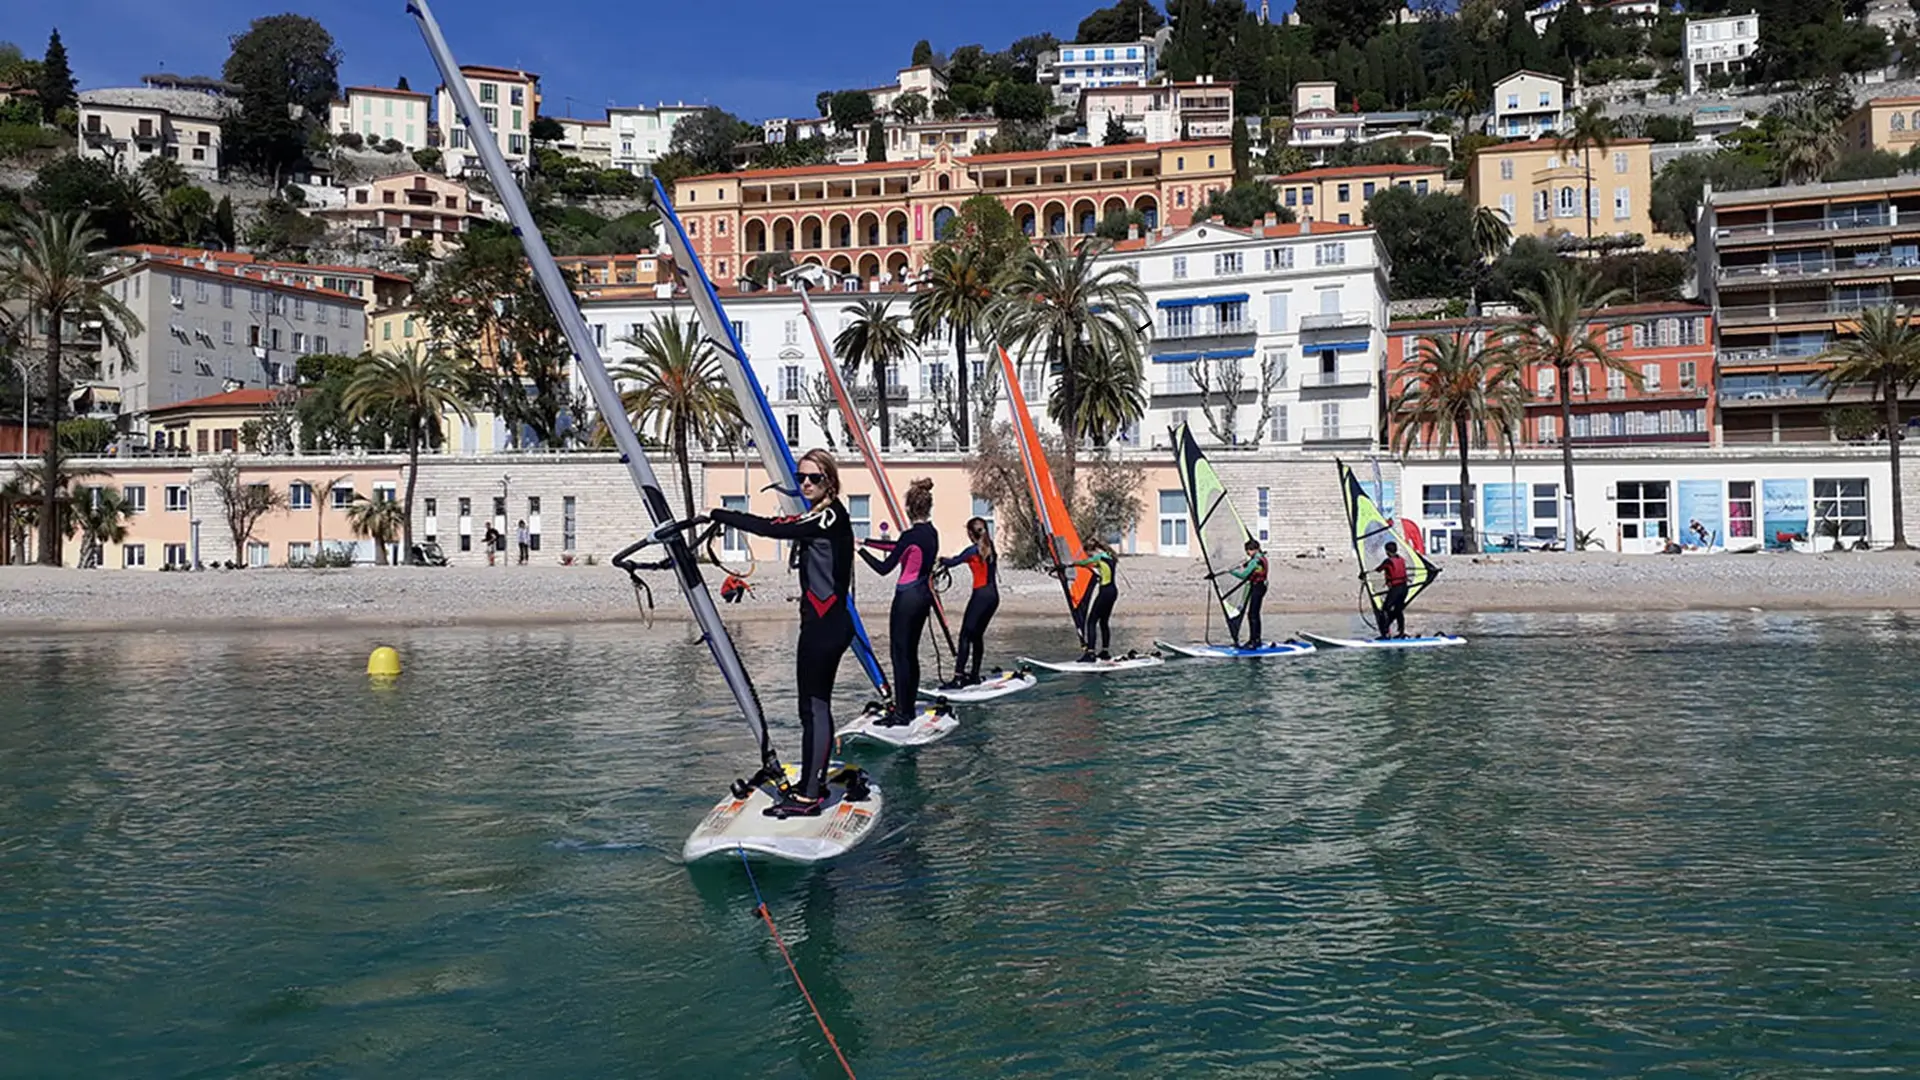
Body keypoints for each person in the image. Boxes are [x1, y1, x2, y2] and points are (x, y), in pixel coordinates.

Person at [707, 449, 854, 818]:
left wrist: (721, 514)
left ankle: (811, 794)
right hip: (820, 625)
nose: (805, 483)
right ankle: (813, 784)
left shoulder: (831, 517)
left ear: (830, 481)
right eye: (801, 477)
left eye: (814, 478)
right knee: (811, 707)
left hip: (826, 627)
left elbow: (776, 528)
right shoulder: (817, 514)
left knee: (815, 708)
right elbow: (788, 523)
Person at [859, 478, 938, 725]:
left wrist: (859, 551)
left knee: (899, 654)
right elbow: (898, 546)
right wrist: (868, 541)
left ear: (908, 509)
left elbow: (885, 567)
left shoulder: (910, 535)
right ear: (927, 507)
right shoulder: (931, 532)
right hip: (924, 596)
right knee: (910, 654)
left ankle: (902, 714)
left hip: (907, 598)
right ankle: (908, 706)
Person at [938, 516, 999, 688]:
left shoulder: (973, 551)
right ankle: (974, 675)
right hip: (993, 597)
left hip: (980, 596)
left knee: (965, 635)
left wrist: (940, 560)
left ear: (971, 534)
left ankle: (958, 677)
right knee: (977, 636)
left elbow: (953, 562)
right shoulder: (990, 547)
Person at [1069, 538, 1119, 662]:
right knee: (1104, 622)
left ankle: (1090, 653)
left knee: (1091, 621)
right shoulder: (1111, 557)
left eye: (1090, 552)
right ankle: (1105, 652)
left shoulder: (1099, 558)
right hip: (1113, 591)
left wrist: (1072, 564)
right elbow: (1093, 565)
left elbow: (1086, 562)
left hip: (1105, 592)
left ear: (1095, 550)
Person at [1224, 538, 1269, 647]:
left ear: (1254, 549)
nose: (1247, 553)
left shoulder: (1255, 560)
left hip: (1258, 587)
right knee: (1254, 614)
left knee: (1252, 614)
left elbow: (1244, 575)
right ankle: (1255, 639)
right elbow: (1251, 566)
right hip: (1261, 586)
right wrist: (1245, 565)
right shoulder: (1260, 557)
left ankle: (1254, 641)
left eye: (1248, 551)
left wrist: (1232, 572)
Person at [1374, 540, 1410, 639]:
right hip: (1404, 588)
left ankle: (1386, 633)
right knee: (1398, 610)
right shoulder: (1401, 559)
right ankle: (1401, 632)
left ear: (1387, 551)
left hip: (1396, 589)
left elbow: (1379, 569)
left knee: (1385, 609)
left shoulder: (1388, 561)